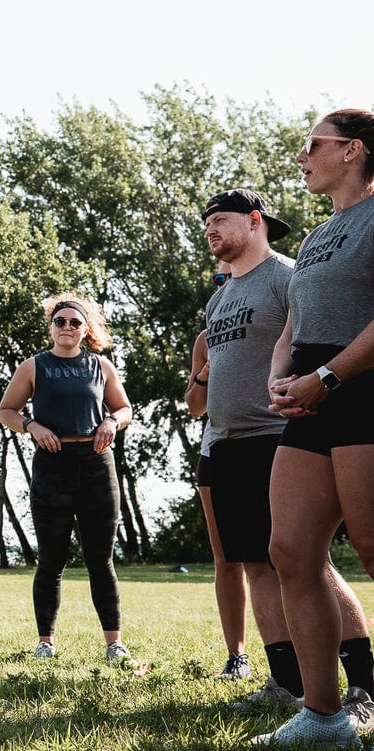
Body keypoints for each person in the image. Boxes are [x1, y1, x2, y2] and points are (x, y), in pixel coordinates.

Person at [198, 190, 374, 722]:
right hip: (227, 441)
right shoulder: (219, 298)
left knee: (311, 560)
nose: (210, 230)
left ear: (254, 222)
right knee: (261, 562)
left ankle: (362, 682)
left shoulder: (286, 274)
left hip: (279, 432)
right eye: (206, 222)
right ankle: (288, 683)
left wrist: (310, 384)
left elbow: (316, 334)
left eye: (220, 220)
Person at [258, 110, 374, 748]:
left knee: (372, 546)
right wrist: (282, 377)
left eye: (313, 144)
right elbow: (292, 325)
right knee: (292, 551)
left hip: (361, 391)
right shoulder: (317, 236)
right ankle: (325, 719)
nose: (302, 156)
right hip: (310, 397)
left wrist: (326, 377)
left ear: (352, 150)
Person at [0, 293, 132, 662]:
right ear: (51, 327)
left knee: (101, 559)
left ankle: (114, 644)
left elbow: (124, 408)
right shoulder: (33, 366)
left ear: (86, 329)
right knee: (51, 559)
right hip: (52, 465)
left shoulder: (101, 366)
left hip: (96, 464)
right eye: (60, 321)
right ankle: (46, 643)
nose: (67, 327)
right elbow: (6, 411)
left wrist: (111, 421)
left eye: (75, 322)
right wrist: (32, 426)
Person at [184, 263, 251, 680]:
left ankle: (292, 661)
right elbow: (194, 406)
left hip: (269, 443)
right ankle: (237, 657)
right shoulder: (205, 338)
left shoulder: (273, 312)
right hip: (216, 449)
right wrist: (205, 375)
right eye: (218, 279)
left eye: (231, 277)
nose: (225, 284)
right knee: (226, 558)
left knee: (281, 559)